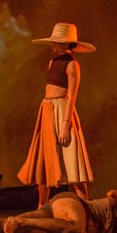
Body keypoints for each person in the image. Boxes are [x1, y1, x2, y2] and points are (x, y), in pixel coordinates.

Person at [17, 22, 94, 206]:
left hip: (63, 110)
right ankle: (42, 206)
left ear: (68, 44)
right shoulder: (52, 62)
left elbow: (71, 96)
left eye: (58, 42)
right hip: (47, 110)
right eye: (53, 42)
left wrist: (66, 123)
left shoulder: (72, 65)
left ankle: (87, 206)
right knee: (44, 159)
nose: (54, 45)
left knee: (72, 158)